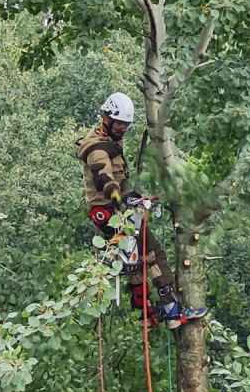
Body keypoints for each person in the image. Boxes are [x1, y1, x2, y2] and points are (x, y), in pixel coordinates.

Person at [76, 92, 207, 329]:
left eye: (125, 126)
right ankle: (171, 310)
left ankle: (147, 314)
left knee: (136, 259)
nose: (122, 129)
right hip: (110, 211)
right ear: (106, 118)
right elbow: (104, 177)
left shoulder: (112, 141)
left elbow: (119, 179)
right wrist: (120, 200)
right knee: (152, 252)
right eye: (118, 125)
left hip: (114, 210)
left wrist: (132, 198)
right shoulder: (96, 148)